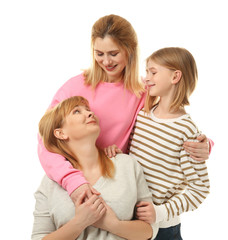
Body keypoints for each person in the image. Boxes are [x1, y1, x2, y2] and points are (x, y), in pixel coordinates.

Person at [38, 14, 211, 203]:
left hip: (117, 189)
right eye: (99, 53)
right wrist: (72, 180)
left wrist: (203, 144)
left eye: (113, 54)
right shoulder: (73, 87)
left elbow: (168, 121)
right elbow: (45, 139)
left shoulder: (144, 91)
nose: (106, 61)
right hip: (72, 188)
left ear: (129, 51)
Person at [32, 96, 158, 240]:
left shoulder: (127, 165)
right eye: (77, 112)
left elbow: (150, 230)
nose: (90, 113)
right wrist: (79, 222)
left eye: (88, 110)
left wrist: (112, 224)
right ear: (61, 133)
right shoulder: (49, 183)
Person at [128, 47, 210, 240]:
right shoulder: (143, 115)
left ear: (175, 77)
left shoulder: (187, 131)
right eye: (147, 71)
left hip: (163, 230)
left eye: (153, 72)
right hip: (133, 224)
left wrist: (160, 212)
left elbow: (200, 188)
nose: (146, 78)